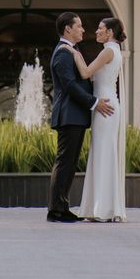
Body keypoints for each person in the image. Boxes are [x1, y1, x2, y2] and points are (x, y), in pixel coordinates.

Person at [47, 12, 113, 223]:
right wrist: (94, 103)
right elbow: (69, 86)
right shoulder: (63, 53)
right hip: (69, 115)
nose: (83, 30)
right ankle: (56, 210)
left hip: (74, 116)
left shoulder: (71, 51)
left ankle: (61, 206)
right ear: (68, 29)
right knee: (65, 162)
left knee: (69, 162)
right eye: (79, 26)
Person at [69, 16, 127, 222]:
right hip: (107, 103)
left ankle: (103, 208)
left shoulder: (108, 51)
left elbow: (85, 73)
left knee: (103, 153)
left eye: (101, 29)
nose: (97, 32)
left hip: (105, 107)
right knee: (103, 153)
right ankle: (104, 206)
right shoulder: (114, 50)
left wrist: (73, 52)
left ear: (110, 32)